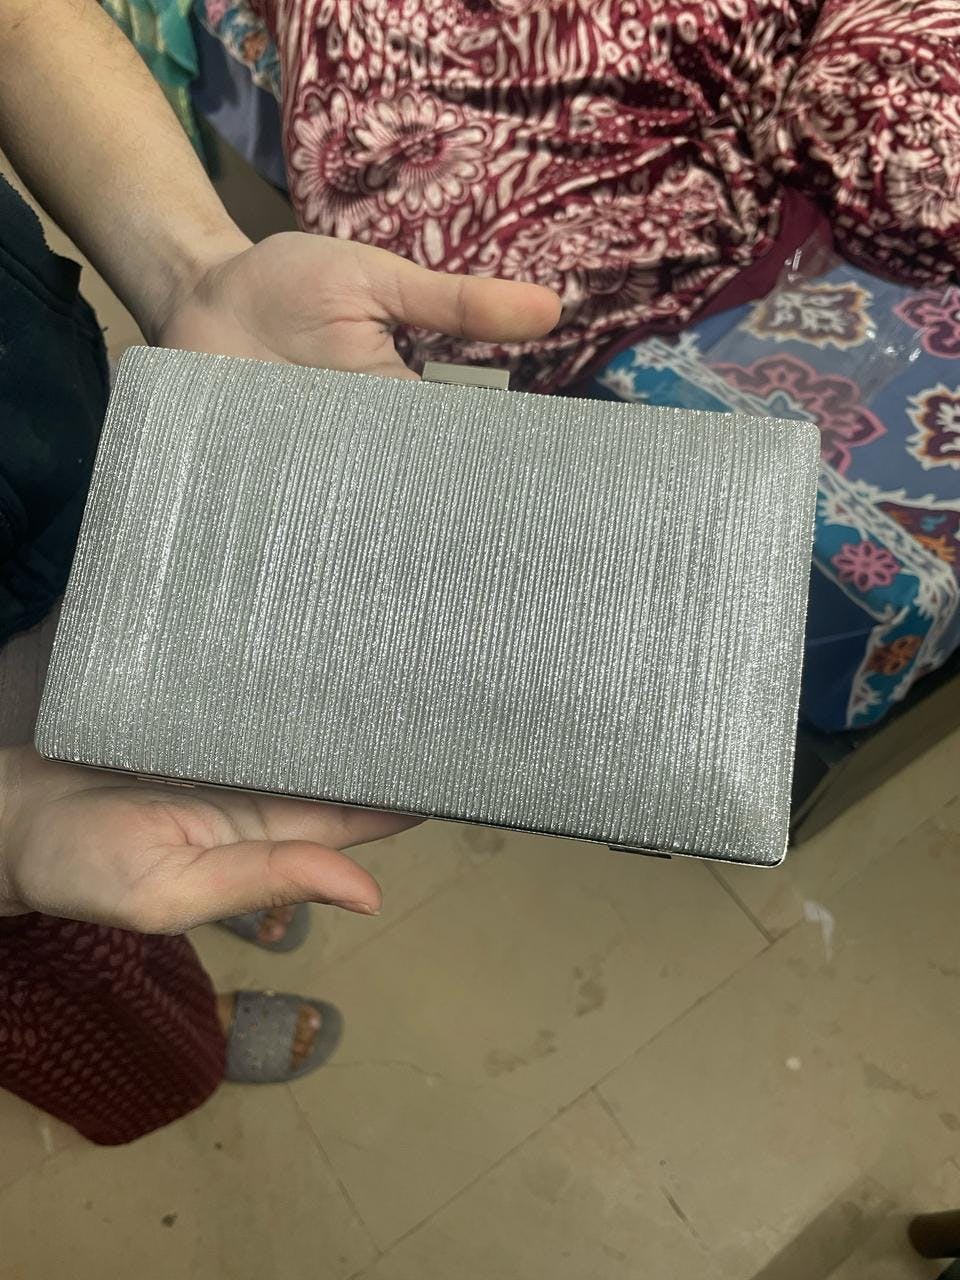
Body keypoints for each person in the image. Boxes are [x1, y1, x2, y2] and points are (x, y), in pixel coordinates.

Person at [0, 0, 559, 1145]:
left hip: (55, 433)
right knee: (89, 929)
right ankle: (182, 1027)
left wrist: (194, 268)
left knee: (193, 764)